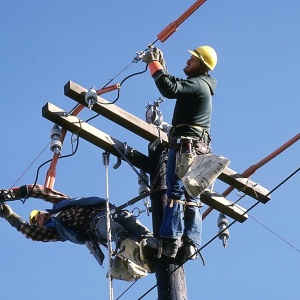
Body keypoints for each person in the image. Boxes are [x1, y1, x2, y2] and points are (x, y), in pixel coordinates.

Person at [142, 45, 218, 261]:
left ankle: (169, 240)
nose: (187, 62)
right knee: (191, 194)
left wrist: (152, 64)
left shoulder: (198, 85)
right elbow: (176, 85)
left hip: (186, 146)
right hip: (197, 148)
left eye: (191, 60)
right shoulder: (201, 85)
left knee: (176, 193)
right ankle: (190, 243)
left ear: (201, 65)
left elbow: (170, 90)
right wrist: (162, 67)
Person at [0, 184, 156, 281]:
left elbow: (40, 191)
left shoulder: (61, 204)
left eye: (37, 213)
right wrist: (10, 216)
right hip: (94, 224)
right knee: (116, 230)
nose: (38, 216)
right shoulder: (56, 230)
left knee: (133, 224)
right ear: (39, 225)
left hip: (108, 210)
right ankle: (141, 258)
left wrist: (12, 193)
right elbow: (32, 233)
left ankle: (154, 245)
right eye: (35, 220)